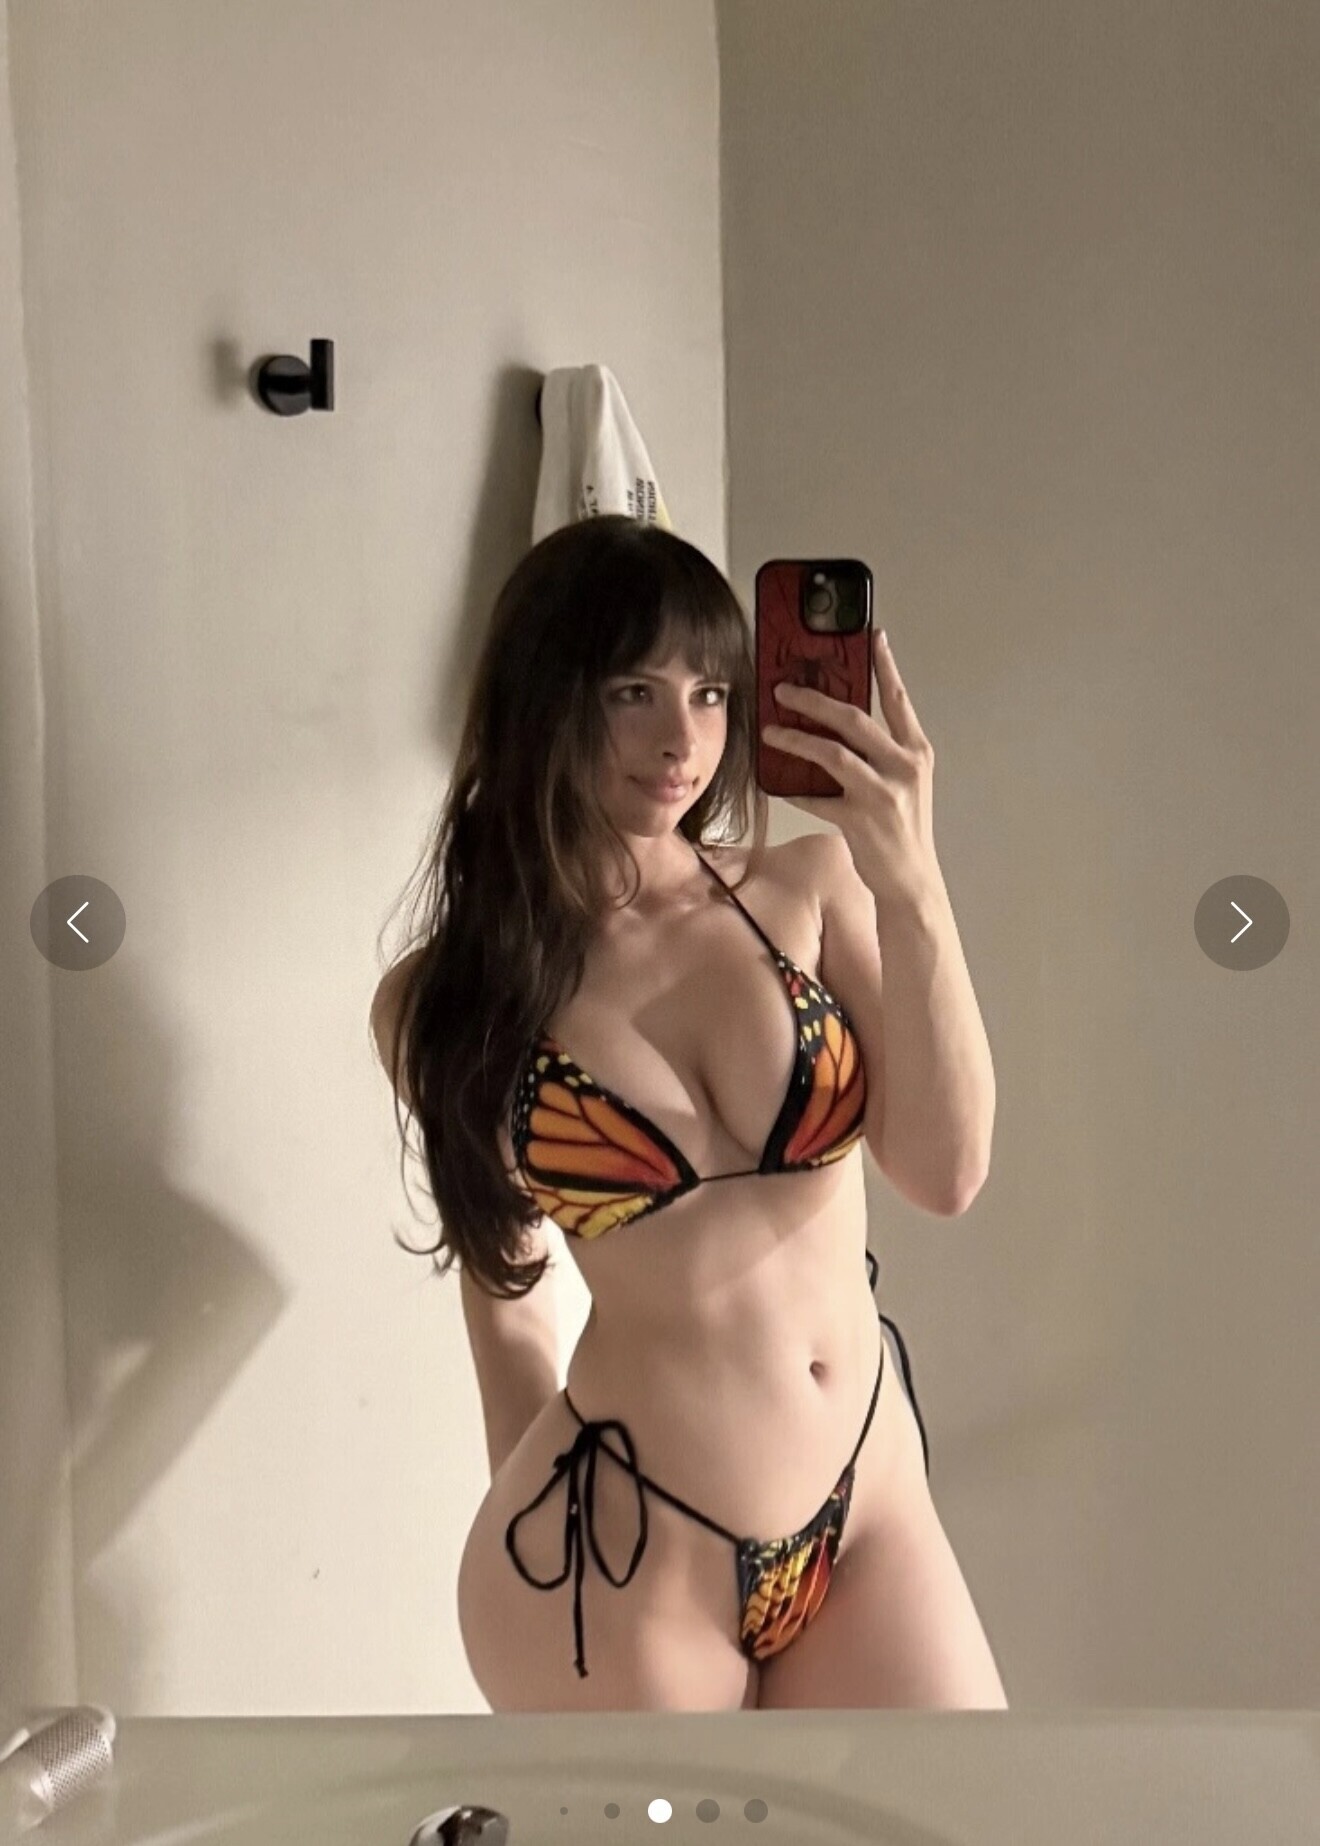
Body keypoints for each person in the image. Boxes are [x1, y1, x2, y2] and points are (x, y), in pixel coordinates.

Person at [371, 514, 1007, 1711]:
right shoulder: (450, 999)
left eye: (712, 693)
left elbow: (947, 1169)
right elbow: (508, 1301)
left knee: (970, 1801)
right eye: (634, 693)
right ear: (543, 700)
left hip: (867, 1504)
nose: (684, 741)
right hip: (624, 1550)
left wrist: (913, 883)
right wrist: (543, 1533)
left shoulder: (808, 887)